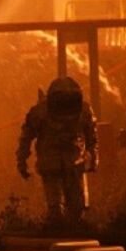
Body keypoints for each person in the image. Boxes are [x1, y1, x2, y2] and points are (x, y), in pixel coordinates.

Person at [16, 77, 98, 229]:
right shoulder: (40, 113)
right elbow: (26, 137)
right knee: (55, 207)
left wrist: (93, 158)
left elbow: (92, 137)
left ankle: (71, 231)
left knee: (78, 206)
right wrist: (21, 161)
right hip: (53, 163)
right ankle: (58, 230)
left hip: (73, 163)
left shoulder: (84, 111)